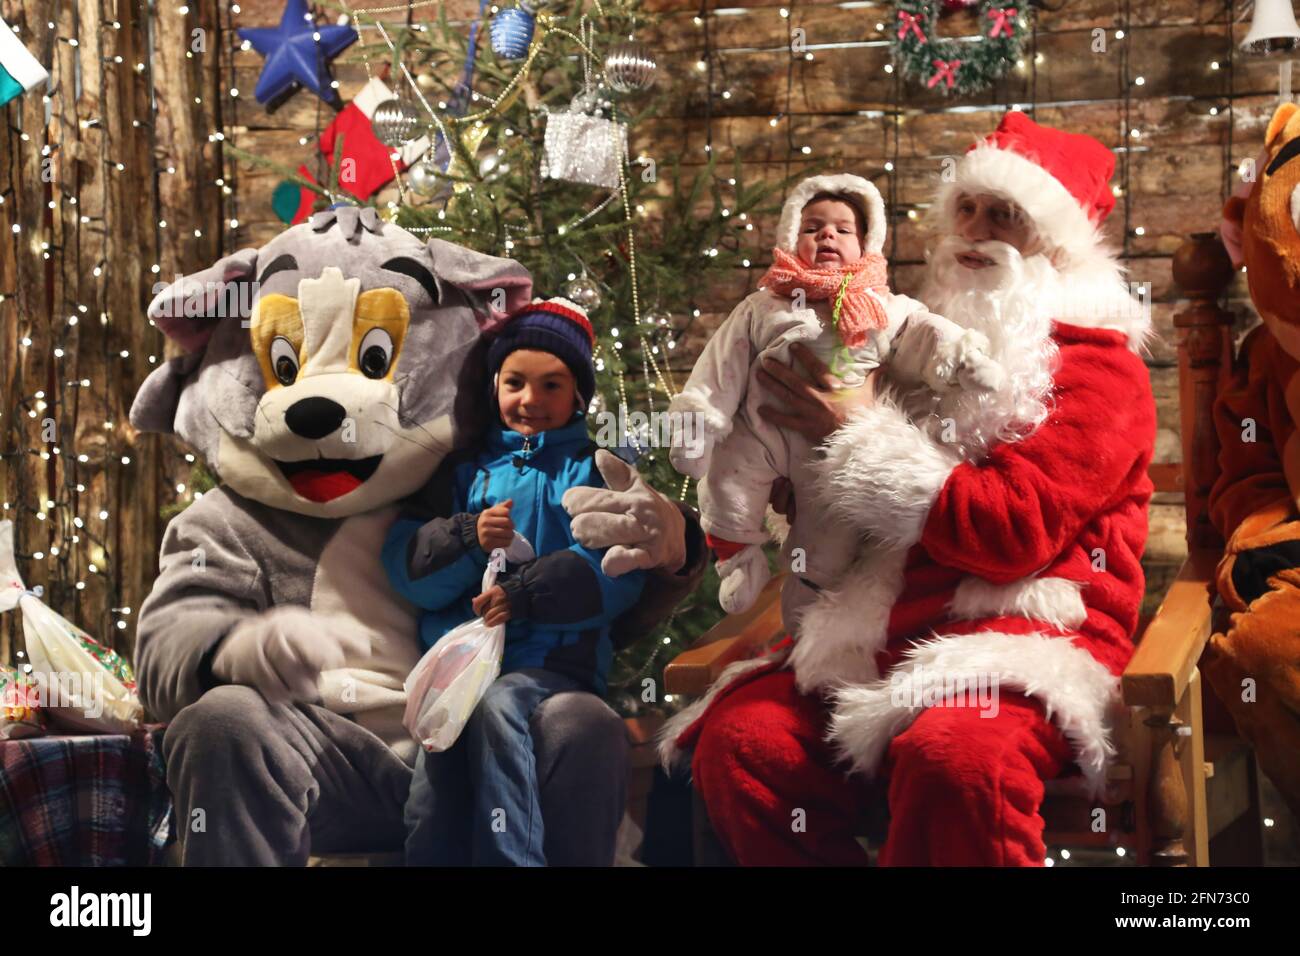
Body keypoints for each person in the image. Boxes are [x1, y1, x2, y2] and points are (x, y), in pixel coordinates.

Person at [659, 111, 1157, 866]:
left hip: (1022, 637)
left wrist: (856, 432)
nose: (976, 230)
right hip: (879, 625)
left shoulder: (1100, 372)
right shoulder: (914, 339)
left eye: (1006, 215)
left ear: (1056, 243)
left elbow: (1011, 534)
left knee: (956, 761)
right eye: (967, 209)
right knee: (744, 742)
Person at [668, 173, 1002, 617]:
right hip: (762, 428)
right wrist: (699, 421)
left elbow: (924, 336)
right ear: (790, 237)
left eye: (844, 229)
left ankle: (809, 601)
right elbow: (720, 367)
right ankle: (737, 557)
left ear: (867, 244)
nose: (827, 234)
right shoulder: (763, 306)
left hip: (833, 449)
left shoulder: (883, 306)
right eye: (812, 227)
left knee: (830, 526)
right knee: (727, 477)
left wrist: (962, 357)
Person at [385, 297, 646, 865]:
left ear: (578, 395)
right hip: (459, 668)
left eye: (552, 385)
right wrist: (465, 537)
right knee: (435, 778)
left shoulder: (596, 470)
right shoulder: (460, 473)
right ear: (495, 387)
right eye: (516, 383)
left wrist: (525, 596)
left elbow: (619, 571)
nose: (531, 400)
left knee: (500, 706)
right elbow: (408, 572)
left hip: (552, 665)